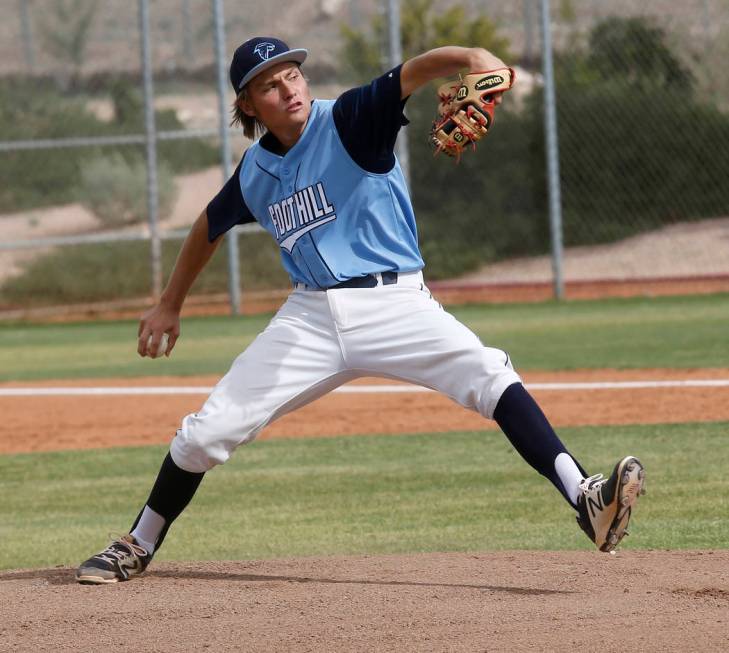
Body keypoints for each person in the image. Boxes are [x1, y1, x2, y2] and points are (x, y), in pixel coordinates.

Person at [76, 37, 645, 584]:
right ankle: (139, 541)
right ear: (247, 105)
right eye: (271, 86)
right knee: (206, 434)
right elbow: (210, 223)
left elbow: (413, 73)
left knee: (489, 375)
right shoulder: (254, 172)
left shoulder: (348, 120)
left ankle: (586, 498)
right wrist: (168, 304)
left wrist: (472, 58)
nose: (290, 89)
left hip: (395, 303)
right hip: (310, 317)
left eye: (293, 74)